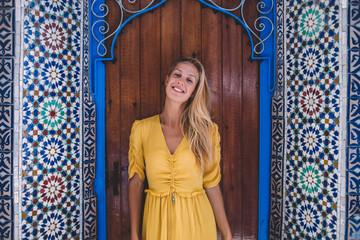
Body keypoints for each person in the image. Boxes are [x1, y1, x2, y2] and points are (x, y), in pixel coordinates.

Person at [128, 57, 232, 240]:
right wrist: (135, 234)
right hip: (155, 224)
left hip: (198, 223)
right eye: (177, 75)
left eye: (189, 80)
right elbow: (136, 183)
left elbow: (212, 184)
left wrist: (227, 235)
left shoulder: (207, 132)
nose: (181, 82)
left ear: (193, 92)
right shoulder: (142, 129)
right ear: (167, 80)